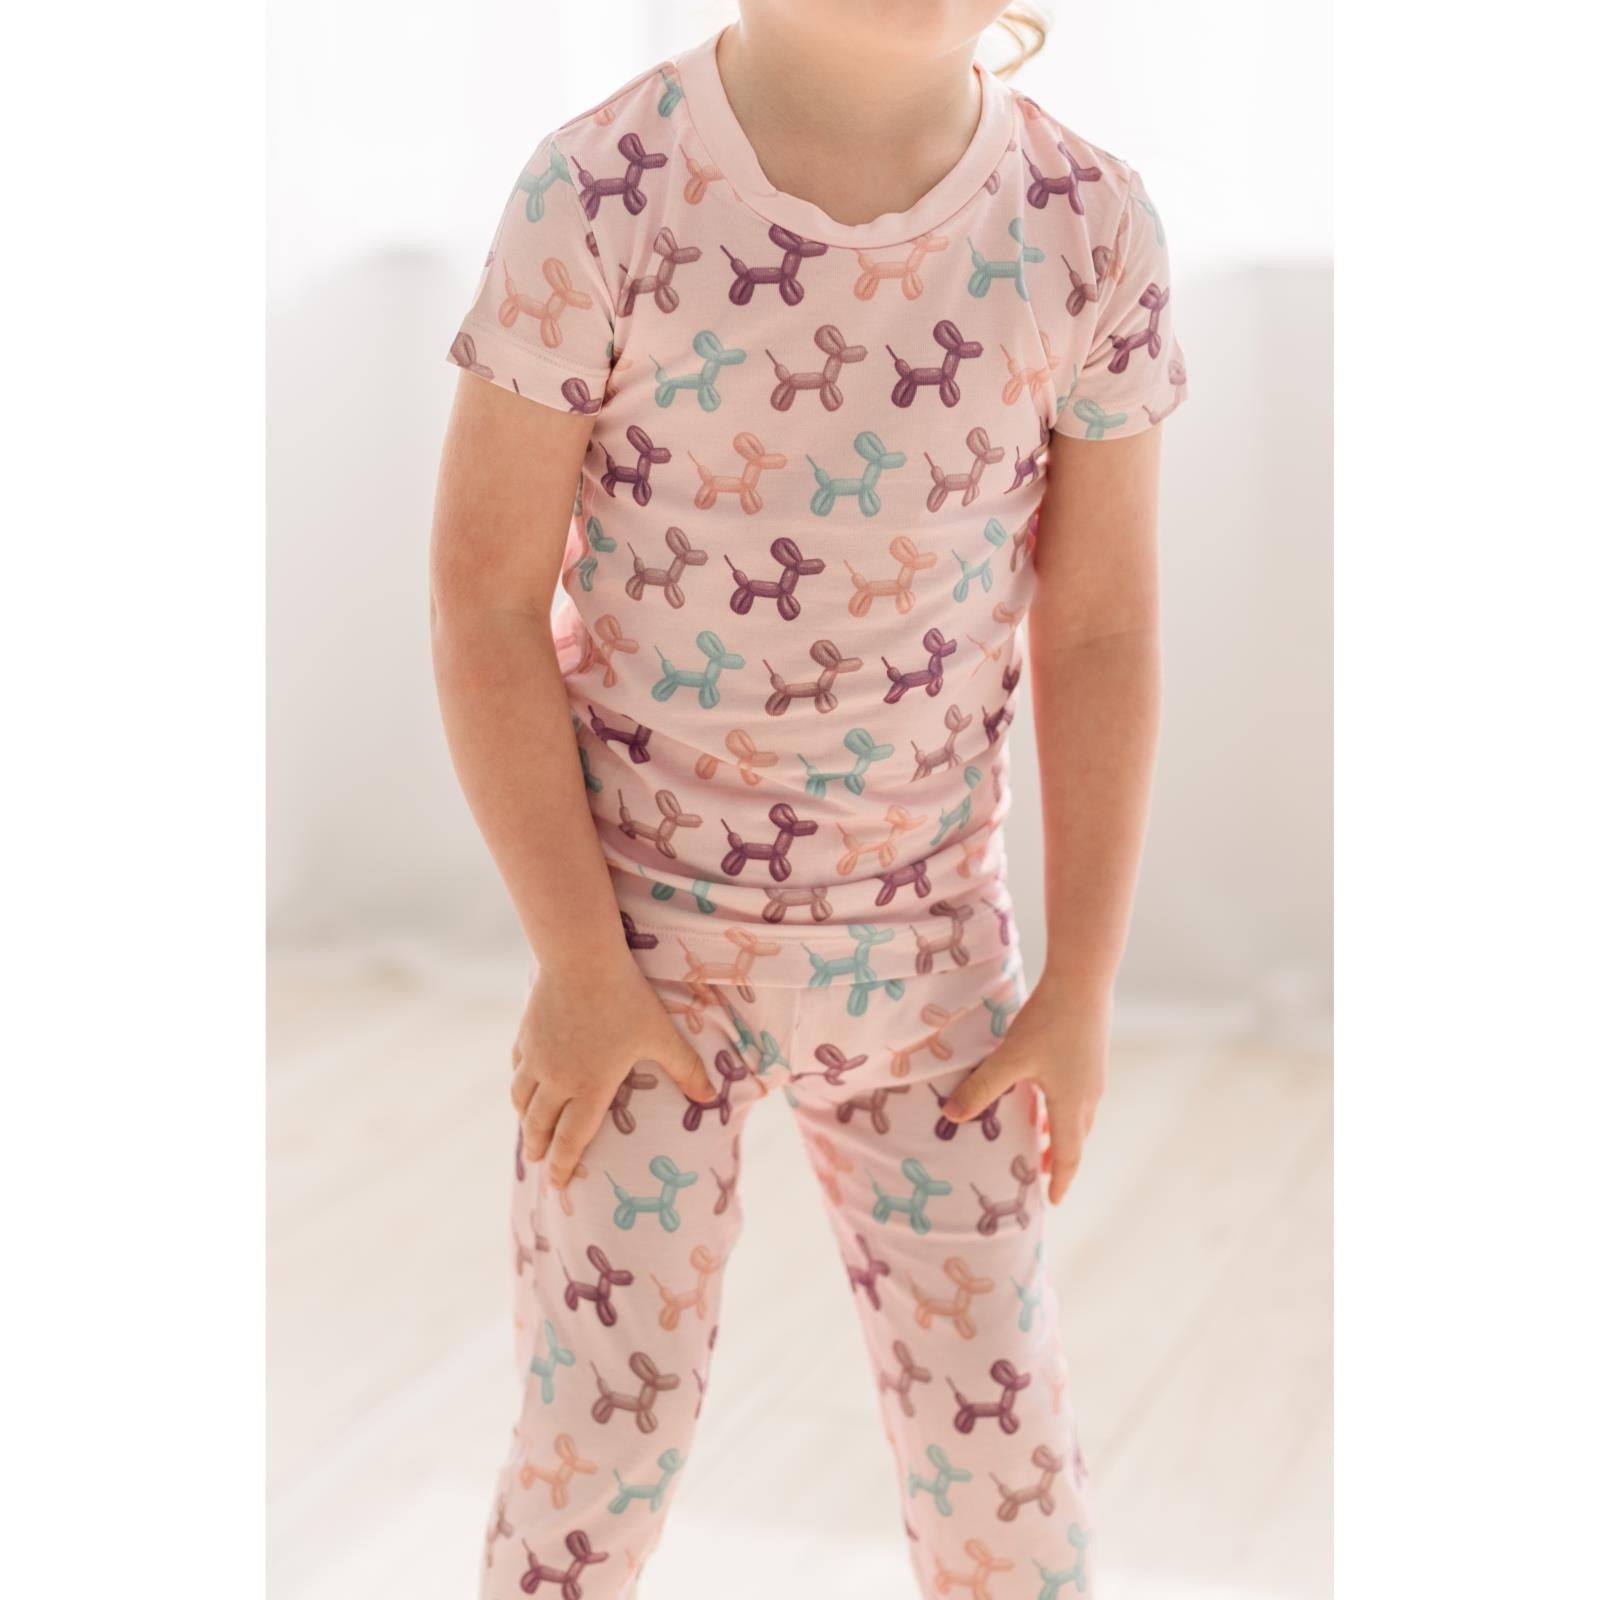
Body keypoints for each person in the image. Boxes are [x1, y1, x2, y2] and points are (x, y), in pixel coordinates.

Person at [431, 4, 1187, 1594]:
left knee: (1007, 1478)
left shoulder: (1087, 226)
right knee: (598, 1448)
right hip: (639, 957)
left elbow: (1103, 631)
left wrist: (1082, 985)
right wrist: (578, 964)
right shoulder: (602, 189)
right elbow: (487, 603)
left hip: (934, 972)